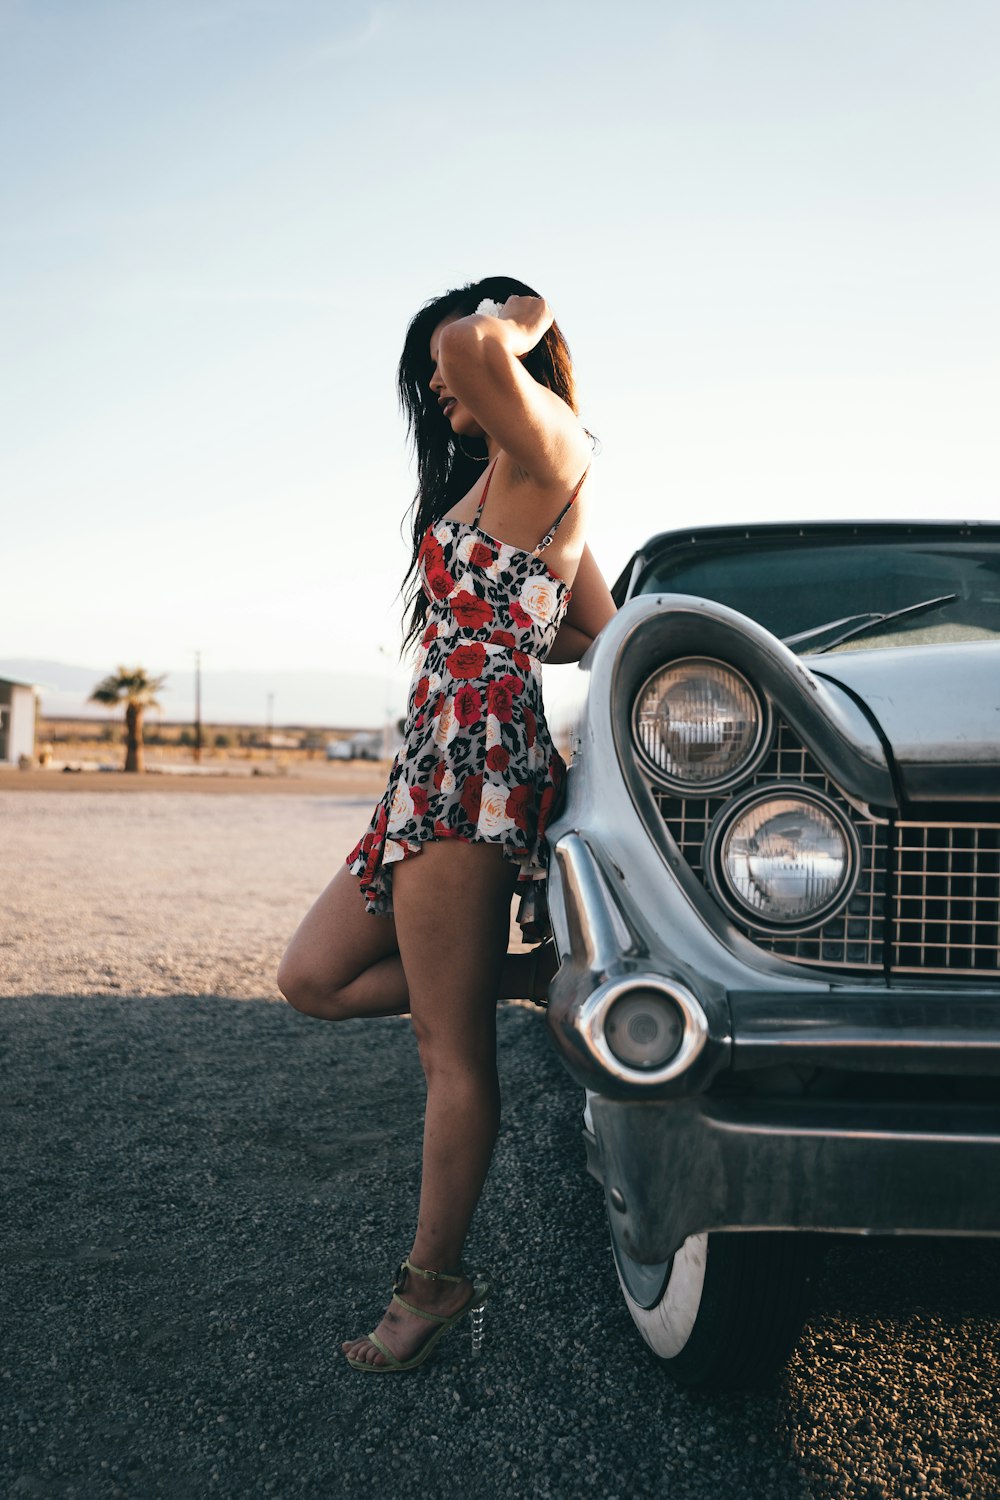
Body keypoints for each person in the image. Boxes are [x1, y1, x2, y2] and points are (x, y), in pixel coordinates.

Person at [277, 276, 617, 1373]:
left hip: (473, 762)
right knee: (312, 978)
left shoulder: (553, 441)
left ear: (514, 352)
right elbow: (593, 629)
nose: (436, 379)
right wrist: (521, 612)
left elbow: (478, 342)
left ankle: (433, 1286)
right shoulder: (512, 477)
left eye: (441, 358)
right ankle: (519, 979)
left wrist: (523, 307)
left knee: (447, 1051)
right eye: (430, 364)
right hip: (431, 758)